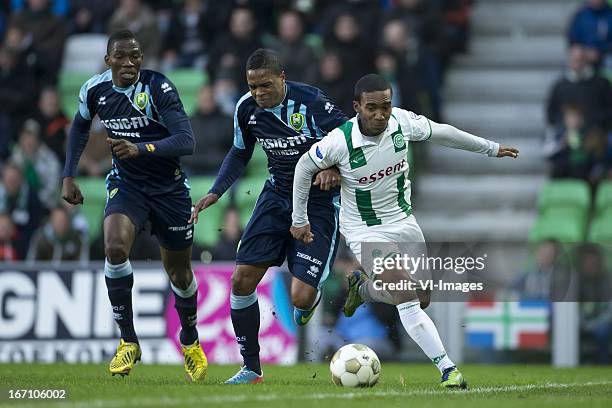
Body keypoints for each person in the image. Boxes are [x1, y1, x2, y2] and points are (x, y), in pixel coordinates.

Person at [291, 74, 519, 388]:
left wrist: (490, 149)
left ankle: (364, 288)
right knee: (406, 297)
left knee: (422, 297)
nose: (380, 114)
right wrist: (299, 219)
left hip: (404, 224)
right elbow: (304, 166)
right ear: (357, 106)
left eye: (385, 106)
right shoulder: (339, 141)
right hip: (365, 231)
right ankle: (448, 369)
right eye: (372, 107)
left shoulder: (401, 122)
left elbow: (443, 133)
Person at [190, 49, 348, 384]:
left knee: (300, 299)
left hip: (319, 202)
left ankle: (312, 292)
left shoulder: (312, 103)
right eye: (252, 86)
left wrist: (333, 166)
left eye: (265, 85)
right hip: (276, 196)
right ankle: (251, 368)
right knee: (241, 279)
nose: (258, 92)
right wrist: (216, 191)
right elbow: (239, 150)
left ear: (282, 78)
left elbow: (350, 139)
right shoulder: (246, 108)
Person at [60, 30, 207, 382]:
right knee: (113, 247)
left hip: (169, 190)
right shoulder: (95, 90)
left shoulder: (158, 88)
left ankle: (190, 340)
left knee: (180, 274)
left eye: (136, 57)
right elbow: (80, 127)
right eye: (122, 57)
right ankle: (128, 340)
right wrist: (69, 174)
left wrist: (141, 148)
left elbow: (187, 141)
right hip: (127, 186)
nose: (129, 64)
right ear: (107, 60)